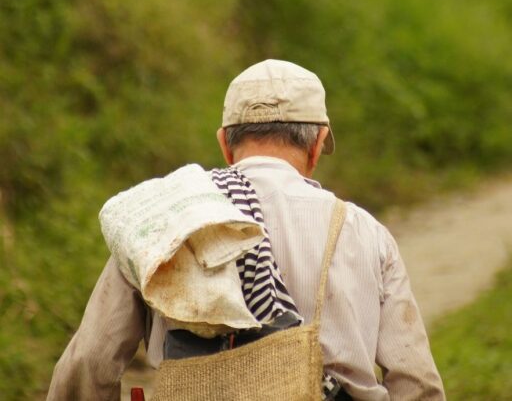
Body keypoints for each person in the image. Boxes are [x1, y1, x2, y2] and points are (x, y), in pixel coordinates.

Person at [47, 59, 445, 400]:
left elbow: (89, 361)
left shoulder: (164, 222)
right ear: (317, 144)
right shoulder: (365, 233)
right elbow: (416, 383)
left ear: (224, 143)